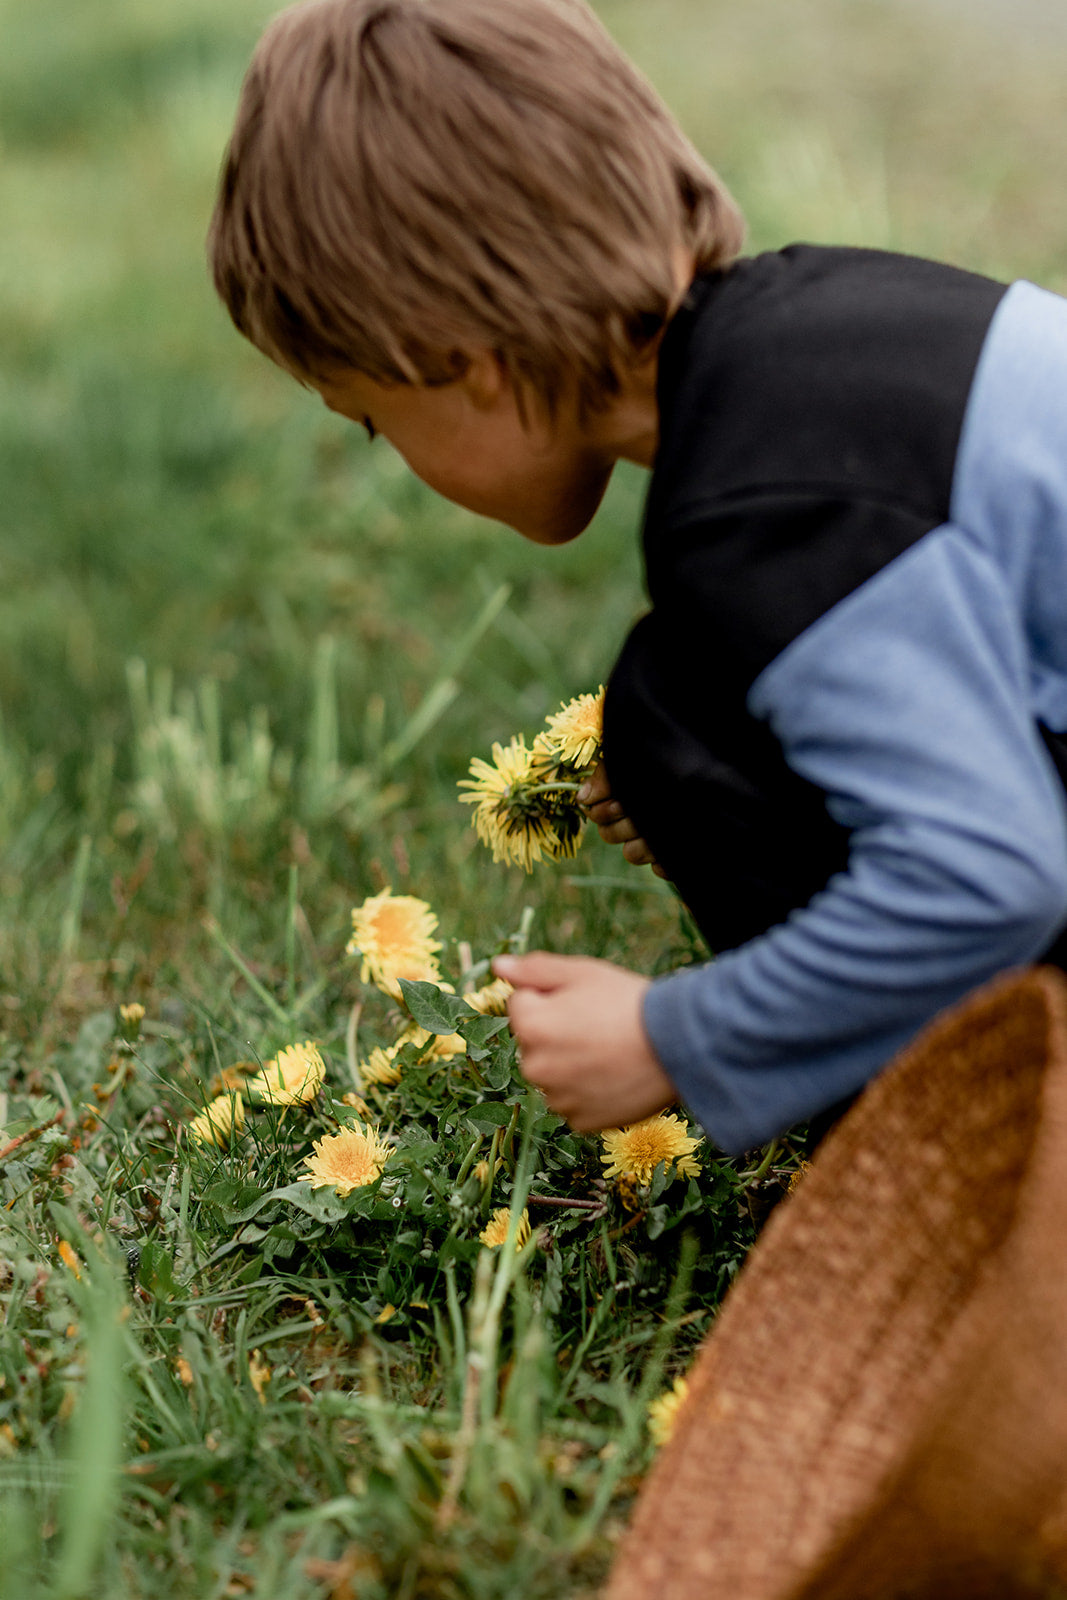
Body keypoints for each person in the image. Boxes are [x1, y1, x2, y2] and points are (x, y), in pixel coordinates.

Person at [208, 0, 1067, 1156]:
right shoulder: (832, 329)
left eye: (371, 417)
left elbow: (989, 877)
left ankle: (964, 1168)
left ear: (459, 358)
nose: (394, 459)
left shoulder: (761, 511)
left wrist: (673, 1035)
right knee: (693, 706)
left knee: (674, 707)